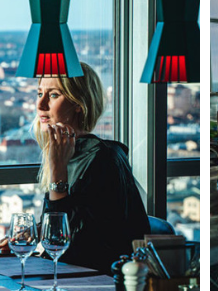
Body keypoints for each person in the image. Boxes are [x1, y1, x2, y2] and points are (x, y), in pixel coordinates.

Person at [33, 63, 150, 273]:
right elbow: (75, 217)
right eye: (40, 93)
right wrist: (32, 232)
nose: (40, 105)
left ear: (79, 103)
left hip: (96, 283)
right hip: (71, 276)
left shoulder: (103, 159)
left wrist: (58, 171)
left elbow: (69, 242)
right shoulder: (69, 152)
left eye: (53, 95)